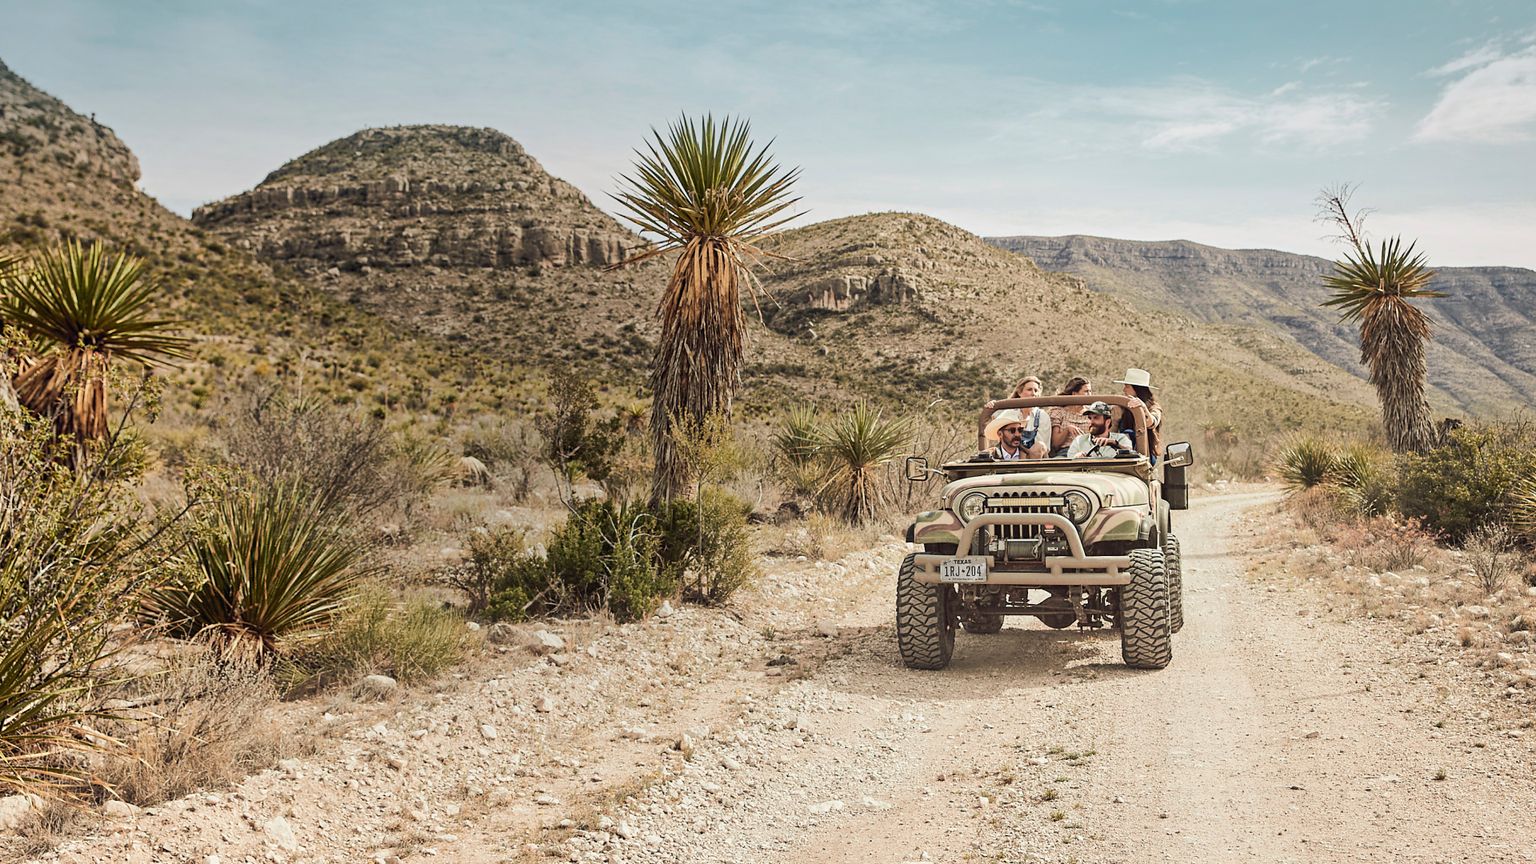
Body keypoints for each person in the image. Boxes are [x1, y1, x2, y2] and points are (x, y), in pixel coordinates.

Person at [1112, 368, 1163, 460]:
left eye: (1127, 387)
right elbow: (1112, 434)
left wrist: (1143, 408)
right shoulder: (1122, 407)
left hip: (1146, 455)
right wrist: (1115, 419)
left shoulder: (1154, 407)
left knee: (1129, 433)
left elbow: (1151, 422)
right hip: (1120, 453)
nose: (1124, 390)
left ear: (1137, 389)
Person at [1046, 376, 1093, 457]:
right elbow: (1055, 444)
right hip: (1066, 452)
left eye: (1090, 391)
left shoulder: (1092, 413)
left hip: (1088, 452)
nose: (1089, 395)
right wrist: (1067, 429)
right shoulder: (1059, 412)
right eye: (1086, 391)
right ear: (1074, 394)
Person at [1067, 401, 1133, 458]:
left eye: (1096, 418)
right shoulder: (1079, 441)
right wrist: (1076, 457)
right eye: (1090, 418)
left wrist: (1115, 444)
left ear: (1107, 422)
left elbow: (1132, 454)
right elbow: (1068, 463)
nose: (1091, 422)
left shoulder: (1121, 439)